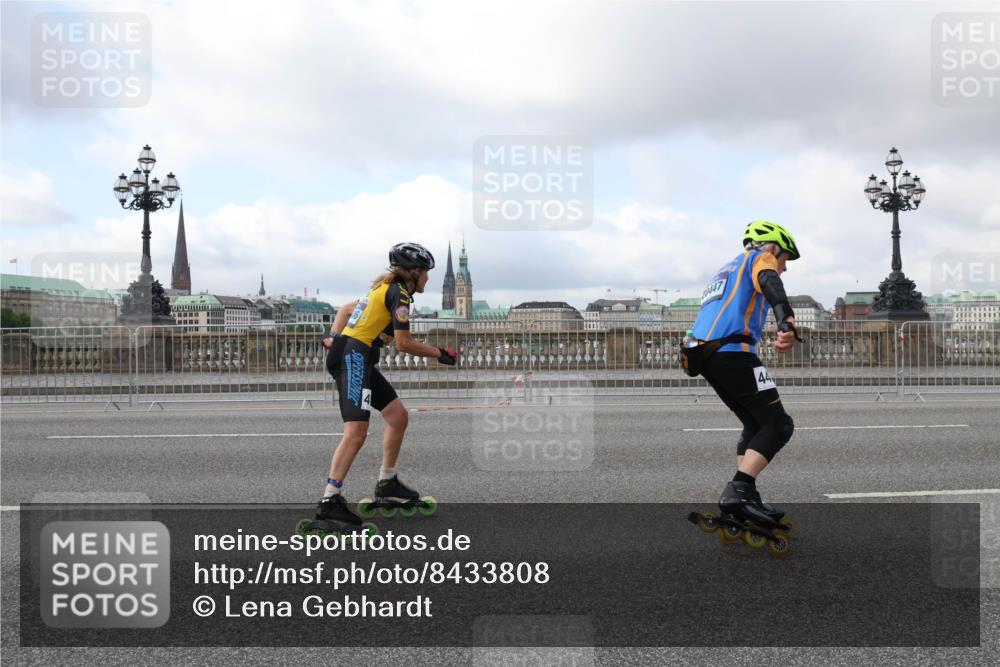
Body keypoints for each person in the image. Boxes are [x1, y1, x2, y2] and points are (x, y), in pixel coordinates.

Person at [312, 242, 458, 529]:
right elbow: (403, 343)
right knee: (356, 431)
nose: (428, 278)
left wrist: (333, 336)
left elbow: (344, 309)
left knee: (398, 417)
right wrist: (440, 354)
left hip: (356, 356)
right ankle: (330, 501)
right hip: (353, 357)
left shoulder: (384, 290)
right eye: (426, 273)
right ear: (413, 273)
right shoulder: (398, 293)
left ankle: (387, 482)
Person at [688, 221, 801, 528]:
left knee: (755, 423)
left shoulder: (725, 270)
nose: (784, 268)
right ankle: (737, 492)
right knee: (779, 425)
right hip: (733, 354)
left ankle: (746, 497)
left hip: (705, 354)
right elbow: (769, 279)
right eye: (785, 259)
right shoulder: (759, 257)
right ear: (774, 247)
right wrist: (786, 320)